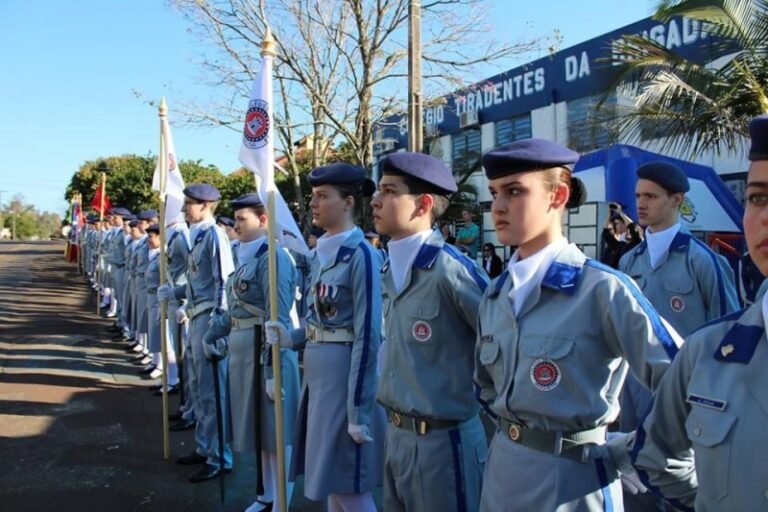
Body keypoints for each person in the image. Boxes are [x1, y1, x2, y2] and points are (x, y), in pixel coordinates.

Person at [474, 138, 683, 512]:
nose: (498, 207)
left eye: (515, 191)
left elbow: (686, 384)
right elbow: (486, 388)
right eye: (494, 193)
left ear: (557, 197)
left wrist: (634, 446)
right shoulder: (495, 295)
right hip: (502, 474)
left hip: (573, 481)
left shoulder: (601, 290)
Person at [629, 114, 768, 511]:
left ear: (677, 201)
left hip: (708, 406)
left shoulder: (702, 262)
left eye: (651, 196)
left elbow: (735, 340)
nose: (641, 203)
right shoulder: (629, 260)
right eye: (757, 197)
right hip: (644, 402)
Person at [371, 152, 489, 512]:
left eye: (389, 191)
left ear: (422, 204)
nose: (375, 200)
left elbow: (504, 339)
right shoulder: (390, 269)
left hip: (443, 443)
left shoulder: (452, 271)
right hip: (396, 436)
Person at [265, 162, 385, 512]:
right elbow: (321, 320)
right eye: (313, 196)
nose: (313, 204)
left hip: (343, 379)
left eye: (322, 196)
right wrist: (291, 337)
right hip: (318, 377)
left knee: (348, 481)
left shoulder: (361, 254)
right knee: (332, 479)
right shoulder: (321, 254)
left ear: (348, 202)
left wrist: (358, 408)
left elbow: (368, 334)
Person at [204, 193, 301, 512]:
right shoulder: (246, 257)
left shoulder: (274, 259)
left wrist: (274, 371)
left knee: (277, 432)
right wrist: (212, 333)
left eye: (242, 219)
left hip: (267, 356)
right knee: (261, 431)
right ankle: (267, 493)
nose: (236, 225)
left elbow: (278, 318)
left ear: (263, 221)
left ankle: (282, 499)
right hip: (245, 357)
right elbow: (235, 310)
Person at [157, 184, 235, 483]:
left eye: (190, 203)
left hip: (208, 319)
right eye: (186, 202)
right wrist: (175, 291)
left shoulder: (214, 236)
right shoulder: (196, 236)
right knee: (198, 386)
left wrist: (217, 330)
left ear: (206, 206)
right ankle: (205, 447)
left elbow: (223, 284)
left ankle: (220, 456)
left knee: (213, 391)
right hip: (195, 314)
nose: (185, 208)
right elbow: (194, 282)